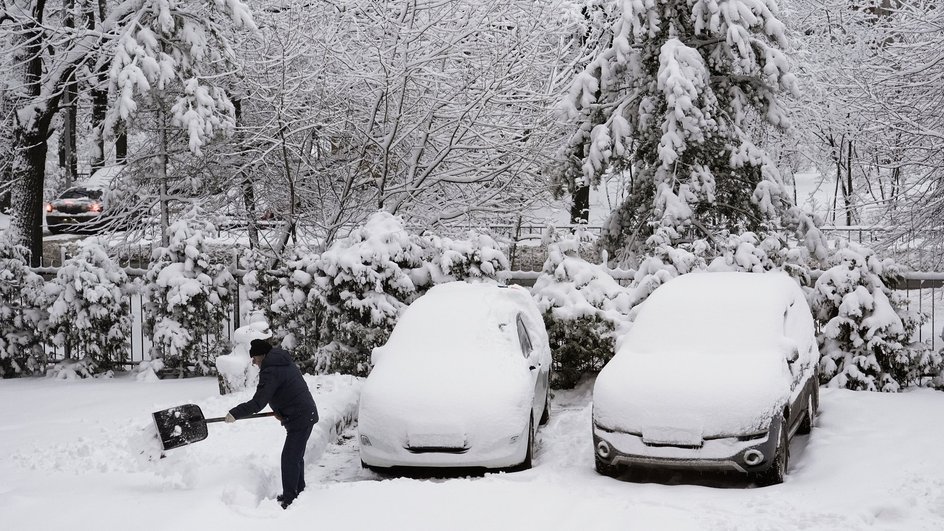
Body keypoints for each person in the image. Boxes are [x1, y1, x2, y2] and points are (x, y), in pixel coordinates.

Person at [226, 339, 318, 509]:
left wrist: (235, 413)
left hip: (300, 416)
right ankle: (298, 491)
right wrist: (281, 411)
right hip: (303, 413)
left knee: (290, 458)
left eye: (254, 358)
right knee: (295, 456)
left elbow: (258, 403)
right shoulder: (281, 362)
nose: (253, 362)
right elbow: (287, 390)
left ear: (262, 355)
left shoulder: (270, 370)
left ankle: (290, 499)